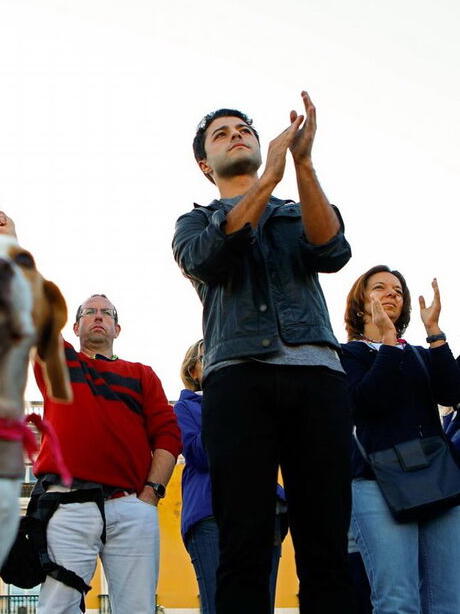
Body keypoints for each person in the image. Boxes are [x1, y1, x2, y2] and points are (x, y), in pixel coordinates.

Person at [172, 92, 354, 614]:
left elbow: (333, 250)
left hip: (317, 375)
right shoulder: (194, 224)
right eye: (222, 134)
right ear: (206, 164)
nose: (238, 135)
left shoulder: (297, 211)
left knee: (326, 541)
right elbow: (211, 259)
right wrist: (269, 178)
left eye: (244, 129)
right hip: (237, 381)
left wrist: (302, 164)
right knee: (244, 541)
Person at [0, 210, 181, 614]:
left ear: (117, 329)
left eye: (107, 313)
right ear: (75, 327)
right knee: (57, 606)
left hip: (132, 505)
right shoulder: (59, 362)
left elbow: (168, 436)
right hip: (67, 502)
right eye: (90, 312)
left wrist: (151, 495)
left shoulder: (142, 375)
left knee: (137, 607)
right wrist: (13, 243)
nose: (98, 316)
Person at [341, 266, 460, 614]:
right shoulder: (348, 355)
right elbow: (367, 402)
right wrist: (388, 343)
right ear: (360, 305)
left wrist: (435, 332)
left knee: (449, 603)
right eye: (380, 288)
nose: (393, 294)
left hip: (437, 480)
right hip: (376, 484)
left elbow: (452, 391)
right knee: (398, 602)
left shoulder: (420, 354)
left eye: (398, 290)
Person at [173, 339, 285, 614]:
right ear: (194, 371)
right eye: (206, 356)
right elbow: (200, 454)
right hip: (211, 514)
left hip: (264, 511)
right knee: (219, 605)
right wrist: (222, 400)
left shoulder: (257, 402)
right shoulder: (186, 408)